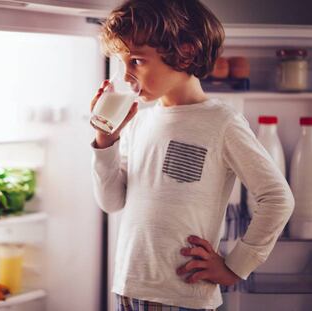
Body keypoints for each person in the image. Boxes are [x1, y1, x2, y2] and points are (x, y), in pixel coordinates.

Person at [89, 0, 295, 310]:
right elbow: (111, 201)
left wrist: (235, 266)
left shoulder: (220, 122)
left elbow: (278, 198)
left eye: (136, 62)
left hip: (184, 295)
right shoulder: (139, 122)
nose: (127, 76)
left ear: (185, 53)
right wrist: (106, 141)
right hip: (129, 288)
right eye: (121, 63)